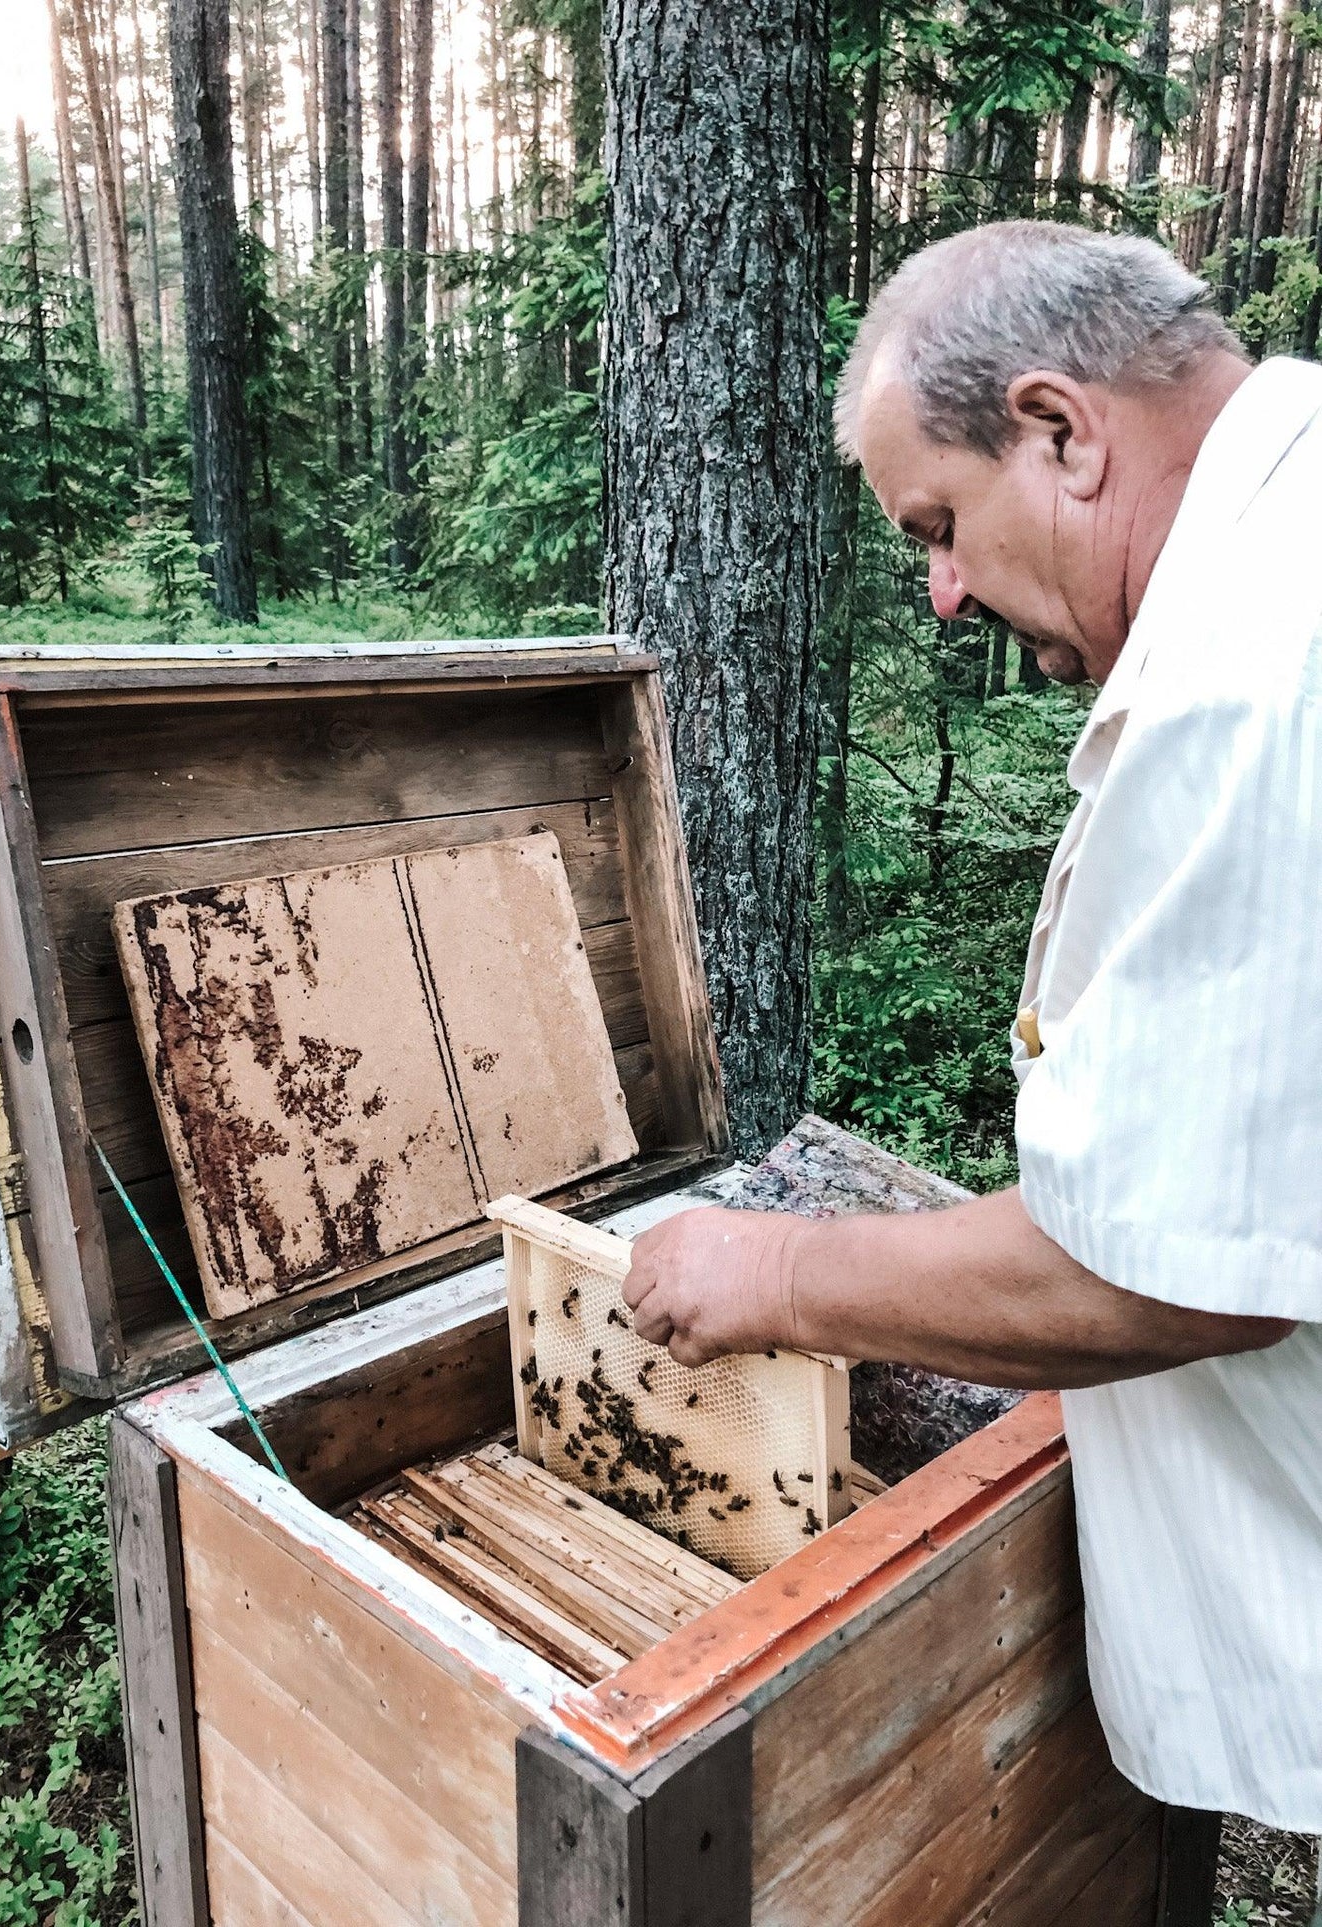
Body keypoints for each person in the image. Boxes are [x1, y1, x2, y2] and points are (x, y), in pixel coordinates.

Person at [622, 221, 1322, 1845]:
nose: (938, 592)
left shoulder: (1257, 679)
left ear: (1058, 430)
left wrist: (780, 1276)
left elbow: (1165, 1269)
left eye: (935, 523)